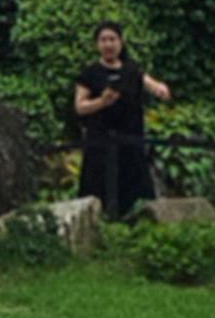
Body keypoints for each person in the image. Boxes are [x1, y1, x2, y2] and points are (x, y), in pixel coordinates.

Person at [69, 17, 173, 220]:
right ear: (97, 44)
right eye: (103, 40)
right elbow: (80, 107)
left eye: (112, 39)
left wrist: (160, 90)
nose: (108, 44)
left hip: (131, 139)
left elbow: (152, 85)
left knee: (134, 188)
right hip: (100, 141)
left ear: (121, 42)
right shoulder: (90, 73)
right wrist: (102, 102)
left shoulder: (132, 70)